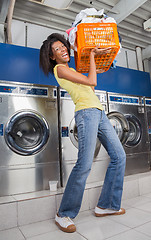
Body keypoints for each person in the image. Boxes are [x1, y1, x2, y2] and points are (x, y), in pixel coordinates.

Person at [39, 33, 126, 233]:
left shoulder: (70, 68)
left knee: (119, 156)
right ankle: (63, 214)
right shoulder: (60, 69)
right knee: (84, 164)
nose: (62, 50)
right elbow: (92, 82)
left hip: (99, 113)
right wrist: (93, 56)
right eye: (57, 49)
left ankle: (106, 205)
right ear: (52, 57)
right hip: (86, 115)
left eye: (63, 46)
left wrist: (90, 52)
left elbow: (89, 87)